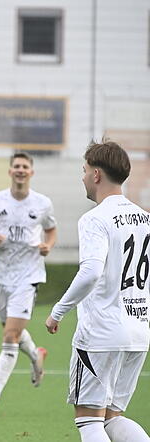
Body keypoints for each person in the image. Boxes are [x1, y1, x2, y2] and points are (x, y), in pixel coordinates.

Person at [45, 140, 149, 442]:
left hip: (102, 332)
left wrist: (57, 311)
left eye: (84, 169)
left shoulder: (95, 218)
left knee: (89, 419)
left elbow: (90, 272)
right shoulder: (145, 218)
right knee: (113, 417)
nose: (83, 176)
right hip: (138, 330)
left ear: (96, 174)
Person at [0, 152, 57, 412]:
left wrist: (48, 245)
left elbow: (51, 230)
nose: (20, 170)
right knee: (14, 332)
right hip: (0, 277)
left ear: (31, 172)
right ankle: (36, 356)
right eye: (16, 166)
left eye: (25, 167)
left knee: (10, 334)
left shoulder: (43, 203)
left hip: (28, 276)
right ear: (10, 171)